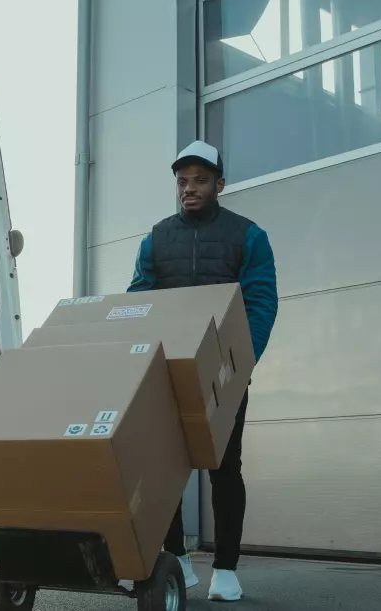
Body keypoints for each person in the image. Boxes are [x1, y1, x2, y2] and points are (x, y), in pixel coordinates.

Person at [127, 140, 278, 602]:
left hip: (224, 375)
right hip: (165, 372)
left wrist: (242, 363)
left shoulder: (248, 236)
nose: (189, 189)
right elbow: (139, 299)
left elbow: (260, 302)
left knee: (224, 468)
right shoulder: (156, 238)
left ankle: (227, 570)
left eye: (200, 180)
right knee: (165, 468)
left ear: (220, 184)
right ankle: (179, 560)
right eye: (182, 181)